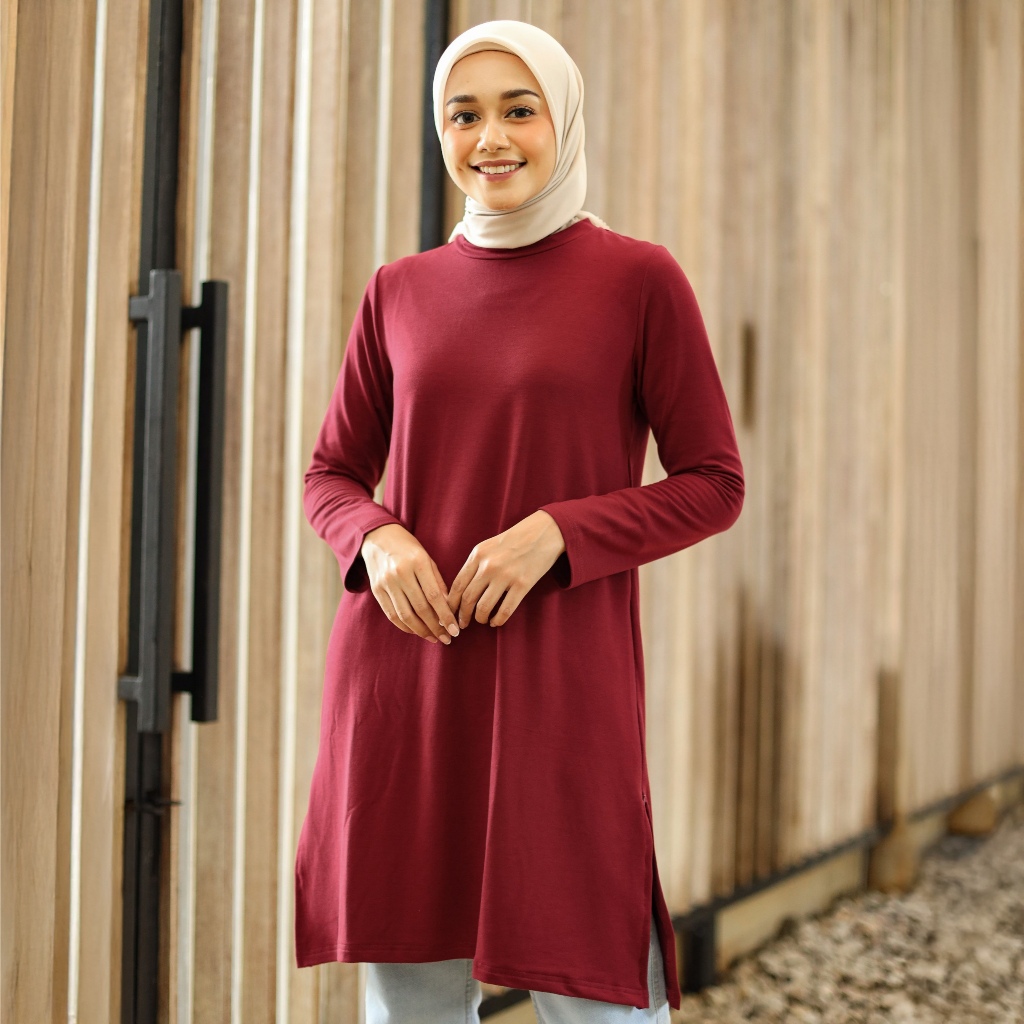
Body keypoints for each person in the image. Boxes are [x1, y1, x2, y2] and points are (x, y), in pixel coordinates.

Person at [293, 19, 745, 1024]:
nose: (489, 138)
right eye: (464, 115)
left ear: (562, 119)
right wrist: (375, 538)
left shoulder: (638, 281)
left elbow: (714, 481)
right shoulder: (398, 290)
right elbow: (331, 473)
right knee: (410, 999)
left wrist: (562, 533)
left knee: (598, 992)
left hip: (560, 682)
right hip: (407, 676)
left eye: (518, 110)